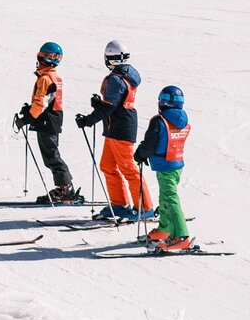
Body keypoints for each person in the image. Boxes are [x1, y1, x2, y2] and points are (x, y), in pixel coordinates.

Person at [75, 41, 154, 221]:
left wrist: (89, 120)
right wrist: (99, 105)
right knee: (108, 166)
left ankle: (145, 207)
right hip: (114, 128)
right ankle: (119, 204)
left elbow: (109, 107)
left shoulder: (116, 79)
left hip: (121, 128)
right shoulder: (123, 76)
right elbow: (113, 103)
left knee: (128, 168)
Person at [14, 42, 79, 204]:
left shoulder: (45, 78)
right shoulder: (54, 77)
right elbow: (46, 101)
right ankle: (64, 188)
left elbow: (41, 104)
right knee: (51, 154)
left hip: (47, 121)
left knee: (51, 156)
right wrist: (29, 111)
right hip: (51, 119)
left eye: (40, 57)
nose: (38, 60)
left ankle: (65, 190)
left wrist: (26, 119)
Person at [134, 86, 191, 250]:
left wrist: (140, 154)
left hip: (165, 165)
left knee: (170, 199)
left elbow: (151, 142)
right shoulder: (183, 120)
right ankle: (165, 229)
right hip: (176, 164)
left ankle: (181, 236)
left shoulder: (159, 120)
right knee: (165, 197)